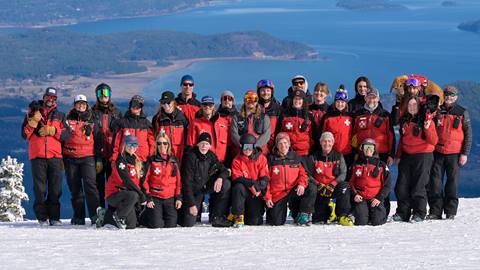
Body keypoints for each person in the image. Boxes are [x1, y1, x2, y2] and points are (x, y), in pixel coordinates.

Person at [21, 87, 66, 226]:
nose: (50, 100)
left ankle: (54, 217)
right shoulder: (33, 113)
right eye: (48, 97)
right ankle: (42, 217)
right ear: (44, 97)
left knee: (55, 188)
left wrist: (54, 130)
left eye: (53, 98)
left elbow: (67, 135)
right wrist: (33, 122)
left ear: (56, 100)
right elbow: (24, 135)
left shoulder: (60, 115)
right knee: (40, 189)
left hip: (55, 156)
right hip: (38, 155)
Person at [428, 86, 472, 220]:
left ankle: (450, 211)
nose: (449, 97)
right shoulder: (437, 110)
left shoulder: (462, 112)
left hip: (455, 153)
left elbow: (468, 134)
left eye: (452, 95)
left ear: (456, 97)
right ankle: (435, 211)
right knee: (435, 183)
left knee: (452, 183)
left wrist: (465, 153)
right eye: (446, 95)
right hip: (438, 152)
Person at [393, 96, 438, 222]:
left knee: (419, 185)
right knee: (401, 186)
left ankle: (419, 213)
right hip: (407, 155)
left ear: (419, 106)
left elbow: (434, 141)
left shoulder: (426, 120)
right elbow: (402, 140)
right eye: (410, 105)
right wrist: (398, 155)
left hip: (423, 155)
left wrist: (427, 127)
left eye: (414, 105)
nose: (412, 107)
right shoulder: (405, 120)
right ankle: (403, 212)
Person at [352, 88, 395, 215]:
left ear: (378, 99)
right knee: (363, 181)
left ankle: (383, 211)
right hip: (363, 153)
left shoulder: (385, 115)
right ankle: (361, 211)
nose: (371, 99)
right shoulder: (358, 114)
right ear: (365, 98)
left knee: (382, 182)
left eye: (374, 97)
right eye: (369, 97)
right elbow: (354, 135)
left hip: (381, 153)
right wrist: (355, 152)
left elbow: (391, 136)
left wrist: (391, 154)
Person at [179, 132, 231, 227]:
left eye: (207, 144)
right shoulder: (190, 157)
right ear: (198, 144)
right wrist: (191, 204)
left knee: (226, 183)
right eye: (202, 143)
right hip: (195, 191)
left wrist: (220, 178)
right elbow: (187, 183)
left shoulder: (211, 156)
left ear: (210, 146)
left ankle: (217, 216)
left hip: (206, 187)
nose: (204, 146)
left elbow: (224, 170)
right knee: (188, 222)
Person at [62, 94, 100, 225]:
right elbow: (61, 138)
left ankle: (95, 216)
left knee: (91, 187)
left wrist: (99, 158)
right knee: (75, 188)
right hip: (70, 158)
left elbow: (99, 139)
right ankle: (78, 217)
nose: (81, 106)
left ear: (86, 106)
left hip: (87, 157)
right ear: (74, 105)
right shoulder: (67, 119)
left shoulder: (92, 119)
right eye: (78, 103)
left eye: (83, 104)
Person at [264, 133, 316, 226]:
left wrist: (301, 184)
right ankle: (272, 212)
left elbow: (303, 174)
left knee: (311, 187)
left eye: (285, 143)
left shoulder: (296, 157)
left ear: (289, 144)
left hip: (293, 190)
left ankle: (303, 214)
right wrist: (268, 197)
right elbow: (265, 180)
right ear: (276, 145)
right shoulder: (271, 159)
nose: (283, 146)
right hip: (278, 194)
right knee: (276, 222)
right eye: (280, 143)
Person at [306, 132, 353, 226]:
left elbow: (343, 173)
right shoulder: (313, 157)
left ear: (332, 143)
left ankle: (342, 215)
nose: (326, 143)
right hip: (320, 188)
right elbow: (308, 174)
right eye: (324, 141)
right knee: (319, 220)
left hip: (333, 187)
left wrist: (333, 184)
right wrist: (318, 184)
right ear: (320, 142)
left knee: (345, 186)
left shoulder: (339, 156)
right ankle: (329, 210)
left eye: (329, 141)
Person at [102, 135, 148, 229]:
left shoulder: (138, 161)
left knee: (131, 225)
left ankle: (105, 216)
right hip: (114, 194)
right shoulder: (121, 160)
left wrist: (145, 196)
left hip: (128, 195)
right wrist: (140, 195)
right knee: (133, 195)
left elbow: (141, 182)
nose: (132, 147)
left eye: (134, 144)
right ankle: (119, 217)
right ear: (125, 145)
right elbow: (127, 181)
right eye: (129, 144)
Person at [142, 133, 182, 228]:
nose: (162, 146)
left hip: (170, 198)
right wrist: (148, 198)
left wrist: (178, 198)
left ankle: (159, 214)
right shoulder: (151, 160)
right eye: (159, 143)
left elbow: (178, 182)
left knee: (171, 225)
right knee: (156, 225)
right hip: (155, 197)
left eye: (165, 143)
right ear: (156, 145)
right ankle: (144, 215)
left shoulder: (174, 161)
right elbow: (145, 180)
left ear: (168, 145)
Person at [92, 83, 122, 208]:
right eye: (100, 93)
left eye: (106, 93)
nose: (103, 97)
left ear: (110, 95)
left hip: (112, 155)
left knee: (113, 184)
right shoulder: (92, 112)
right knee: (98, 185)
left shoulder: (116, 113)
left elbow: (121, 133)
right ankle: (100, 211)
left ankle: (112, 211)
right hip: (97, 154)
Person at [231, 134, 270, 227]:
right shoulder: (237, 160)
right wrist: (251, 183)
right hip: (244, 190)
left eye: (250, 147)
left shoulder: (261, 158)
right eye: (245, 147)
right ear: (241, 147)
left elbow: (265, 177)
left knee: (254, 222)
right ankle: (238, 216)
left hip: (256, 192)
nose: (247, 150)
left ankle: (250, 213)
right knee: (238, 187)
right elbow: (237, 177)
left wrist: (257, 187)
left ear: (254, 147)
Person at [350, 139, 391, 226]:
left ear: (374, 149)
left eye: (371, 147)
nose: (368, 149)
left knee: (377, 222)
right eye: (366, 147)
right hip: (361, 198)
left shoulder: (381, 165)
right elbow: (350, 182)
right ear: (362, 149)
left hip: (375, 198)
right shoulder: (356, 164)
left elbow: (387, 185)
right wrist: (355, 195)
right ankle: (361, 213)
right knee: (361, 222)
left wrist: (379, 198)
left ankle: (376, 213)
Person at [111, 95, 155, 163]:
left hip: (143, 160)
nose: (135, 107)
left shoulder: (146, 124)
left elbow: (152, 143)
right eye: (133, 104)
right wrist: (114, 159)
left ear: (141, 107)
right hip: (125, 160)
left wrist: (150, 157)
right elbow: (116, 143)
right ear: (130, 106)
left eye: (138, 105)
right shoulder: (122, 123)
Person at [186, 96, 230, 162]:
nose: (207, 107)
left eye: (210, 105)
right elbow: (191, 144)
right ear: (201, 106)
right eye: (205, 104)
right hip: (203, 161)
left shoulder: (223, 122)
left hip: (221, 162)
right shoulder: (195, 123)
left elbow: (229, 144)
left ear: (213, 106)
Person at [320, 86, 354, 169]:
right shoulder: (328, 116)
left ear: (346, 103)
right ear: (334, 102)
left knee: (346, 176)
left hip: (347, 152)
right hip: (332, 152)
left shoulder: (350, 117)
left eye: (342, 102)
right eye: (338, 102)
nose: (340, 104)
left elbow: (354, 133)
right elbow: (323, 133)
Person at [275, 90, 315, 157]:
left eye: (300, 99)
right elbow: (278, 133)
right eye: (295, 99)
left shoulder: (309, 116)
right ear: (292, 100)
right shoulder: (284, 114)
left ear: (303, 101)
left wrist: (312, 152)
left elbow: (313, 136)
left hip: (305, 153)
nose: (297, 101)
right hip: (287, 153)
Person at [152, 90, 188, 164]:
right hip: (163, 158)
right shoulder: (157, 119)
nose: (166, 105)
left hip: (179, 156)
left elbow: (187, 137)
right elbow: (153, 138)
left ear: (174, 102)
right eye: (163, 102)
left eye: (168, 102)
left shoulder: (182, 118)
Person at [257, 79, 282, 151]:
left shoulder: (278, 109)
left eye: (268, 90)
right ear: (259, 92)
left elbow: (281, 129)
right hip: (259, 147)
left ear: (272, 92)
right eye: (262, 90)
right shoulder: (254, 108)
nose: (265, 93)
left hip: (274, 147)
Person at [217, 90, 238, 167]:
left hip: (235, 147)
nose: (227, 101)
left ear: (232, 101)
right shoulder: (216, 115)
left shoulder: (238, 116)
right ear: (221, 101)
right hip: (221, 148)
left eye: (230, 99)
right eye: (224, 98)